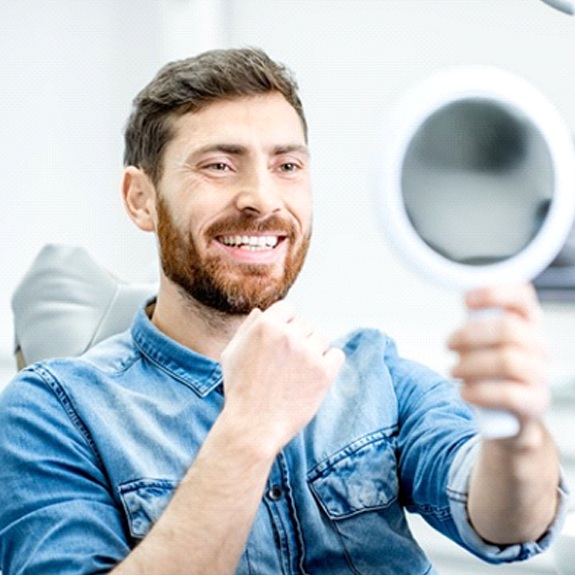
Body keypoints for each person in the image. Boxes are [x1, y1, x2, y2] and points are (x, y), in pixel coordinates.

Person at [0, 47, 568, 575]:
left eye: (287, 166)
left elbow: (507, 522)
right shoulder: (51, 412)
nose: (263, 199)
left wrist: (516, 433)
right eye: (220, 165)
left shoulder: (375, 373)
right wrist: (249, 429)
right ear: (140, 199)